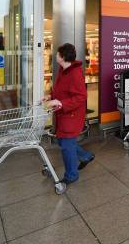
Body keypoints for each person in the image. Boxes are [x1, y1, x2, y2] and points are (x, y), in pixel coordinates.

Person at [44, 43, 93, 184]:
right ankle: (86, 156)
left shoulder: (75, 73)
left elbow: (81, 97)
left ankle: (71, 175)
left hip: (71, 115)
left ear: (63, 57)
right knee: (62, 141)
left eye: (58, 54)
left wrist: (61, 103)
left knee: (66, 145)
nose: (55, 55)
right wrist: (50, 96)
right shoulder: (63, 69)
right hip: (63, 114)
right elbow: (60, 89)